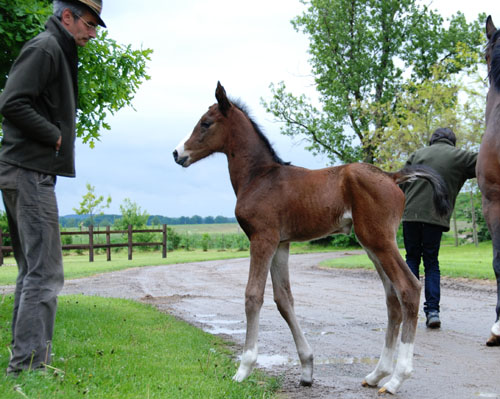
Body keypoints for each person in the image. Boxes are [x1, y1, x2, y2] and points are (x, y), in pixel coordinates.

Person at [0, 0, 105, 375]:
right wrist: (55, 136)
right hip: (28, 172)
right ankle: (28, 367)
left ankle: (26, 361)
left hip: (23, 170)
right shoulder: (45, 48)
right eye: (89, 24)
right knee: (45, 272)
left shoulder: (56, 50)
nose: (92, 33)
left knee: (32, 270)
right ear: (67, 17)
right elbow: (11, 102)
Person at [402, 128, 477, 329]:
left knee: (411, 258)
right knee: (431, 262)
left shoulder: (418, 154)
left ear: (433, 140)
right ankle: (432, 312)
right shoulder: (460, 156)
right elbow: (485, 163)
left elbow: (400, 183)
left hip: (410, 215)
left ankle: (409, 310)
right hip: (435, 216)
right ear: (452, 141)